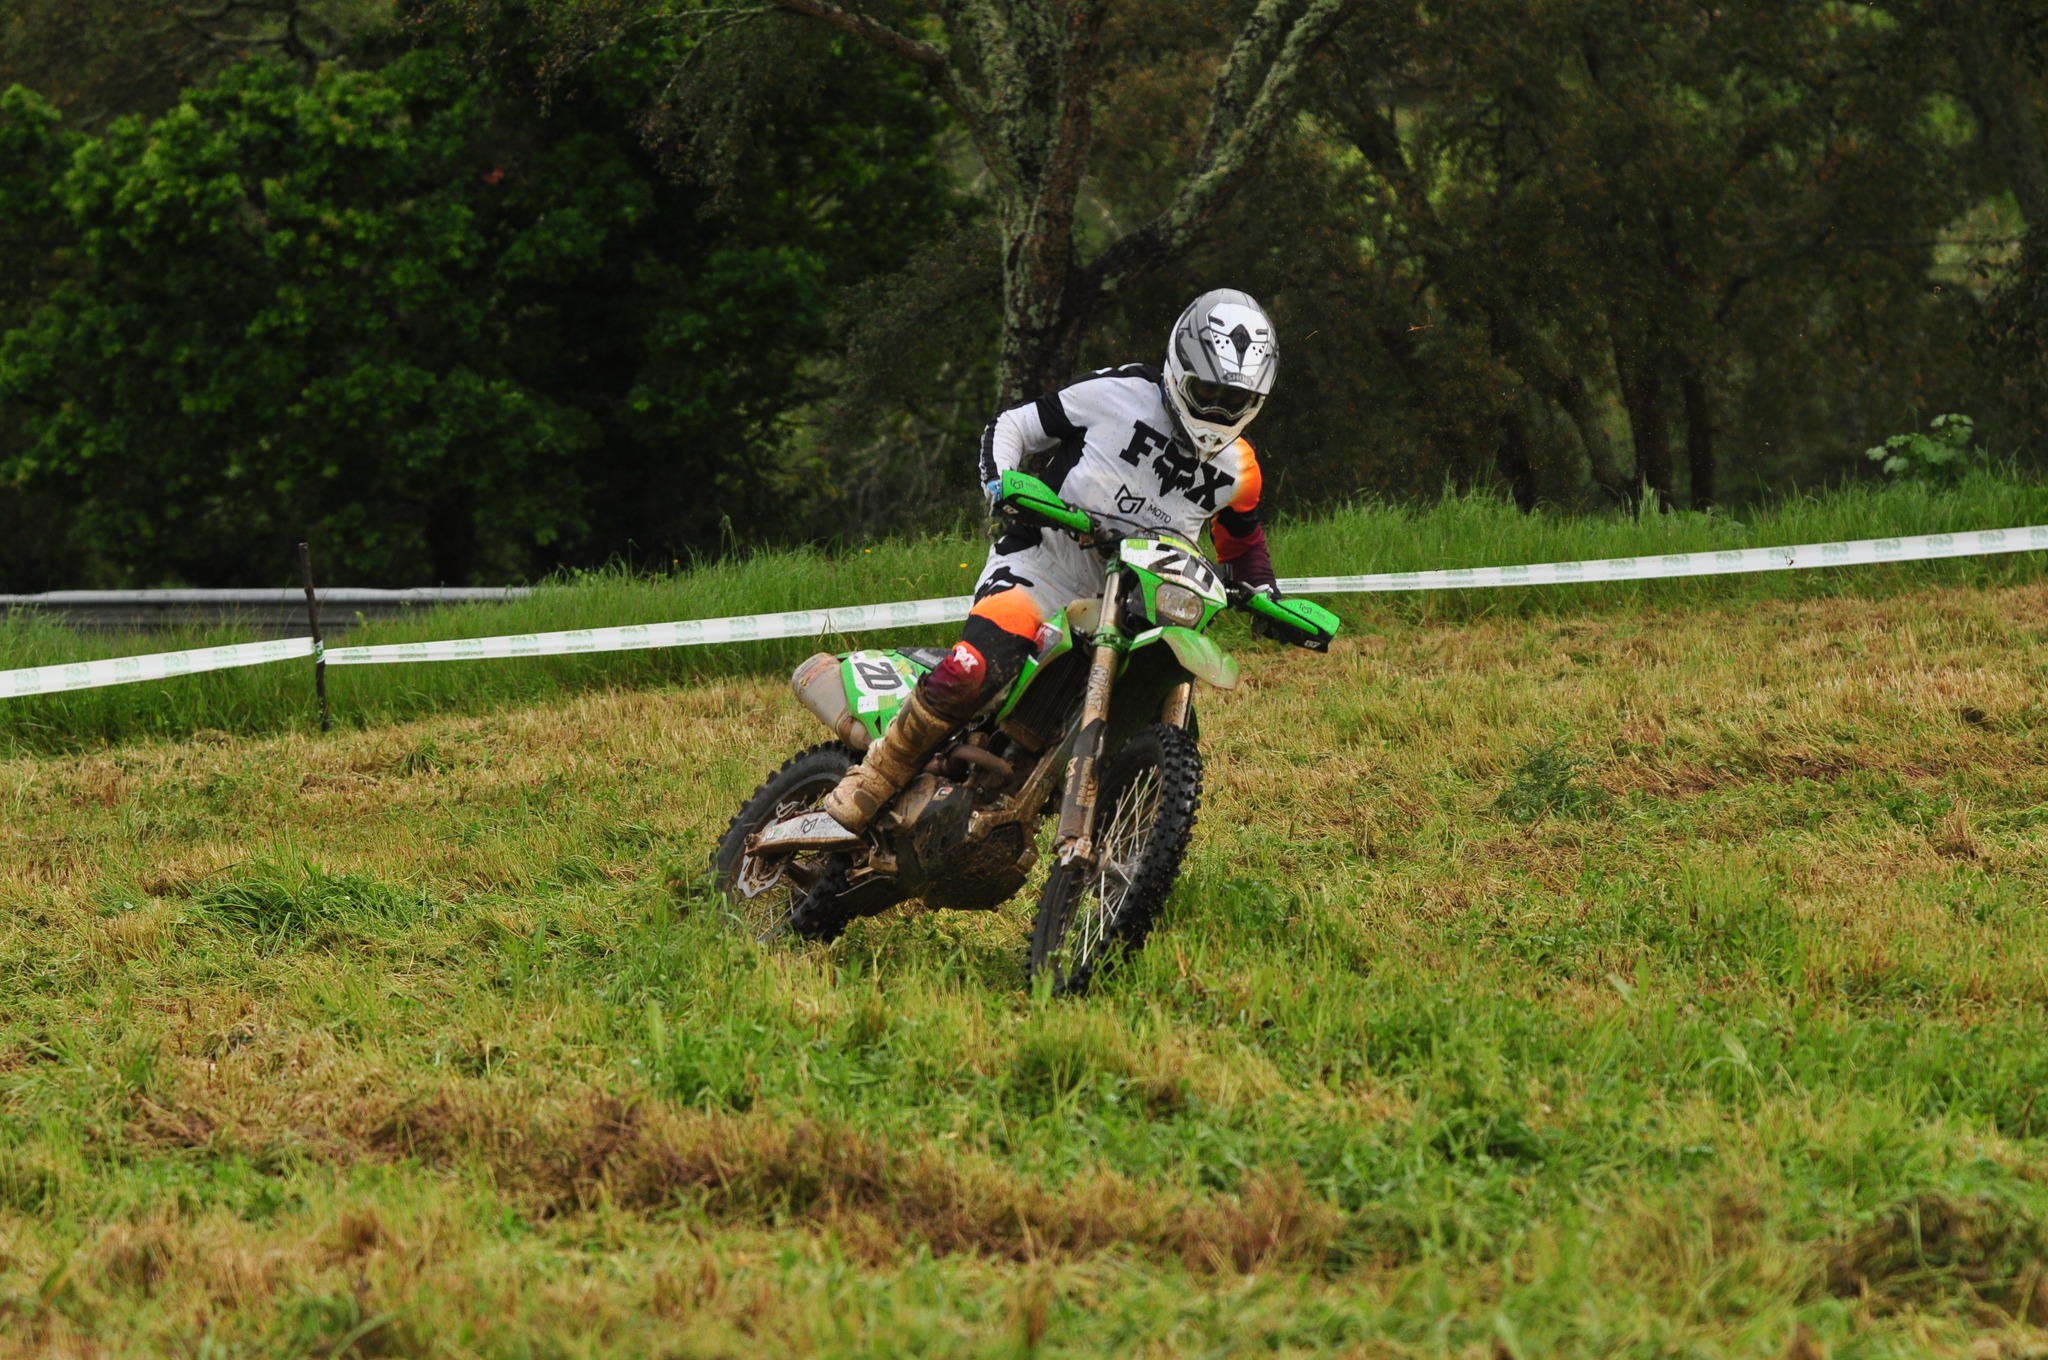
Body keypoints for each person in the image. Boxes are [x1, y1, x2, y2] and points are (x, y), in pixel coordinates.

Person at [822, 288, 1283, 833]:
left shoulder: (1240, 468)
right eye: (1206, 390)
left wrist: (1265, 595)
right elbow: (1015, 425)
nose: (1217, 409)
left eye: (1233, 399)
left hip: (1140, 605)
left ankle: (1126, 855)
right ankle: (876, 775)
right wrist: (1001, 483)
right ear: (1180, 366)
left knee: (1167, 705)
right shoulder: (1119, 393)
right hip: (1043, 565)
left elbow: (1243, 542)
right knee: (978, 667)